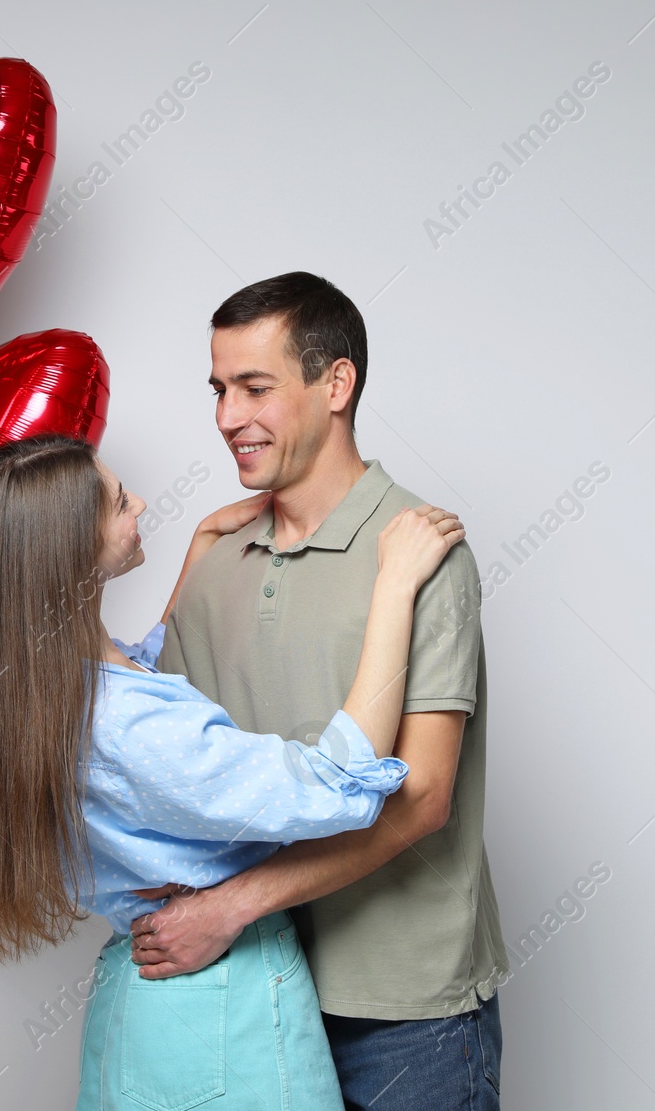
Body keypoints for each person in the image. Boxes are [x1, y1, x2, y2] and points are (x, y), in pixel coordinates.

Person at [0, 432, 466, 1109]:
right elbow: (336, 784)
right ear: (72, 554)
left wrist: (197, 550)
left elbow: (146, 681)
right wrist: (395, 584)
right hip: (219, 1012)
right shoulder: (124, 725)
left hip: (143, 1008)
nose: (143, 503)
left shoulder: (38, 693)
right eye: (121, 501)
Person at [130, 271, 507, 1110]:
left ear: (336, 384)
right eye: (220, 389)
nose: (228, 416)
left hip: (405, 1017)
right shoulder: (217, 564)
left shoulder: (420, 551)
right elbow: (147, 770)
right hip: (248, 996)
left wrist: (229, 907)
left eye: (255, 387)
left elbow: (422, 798)